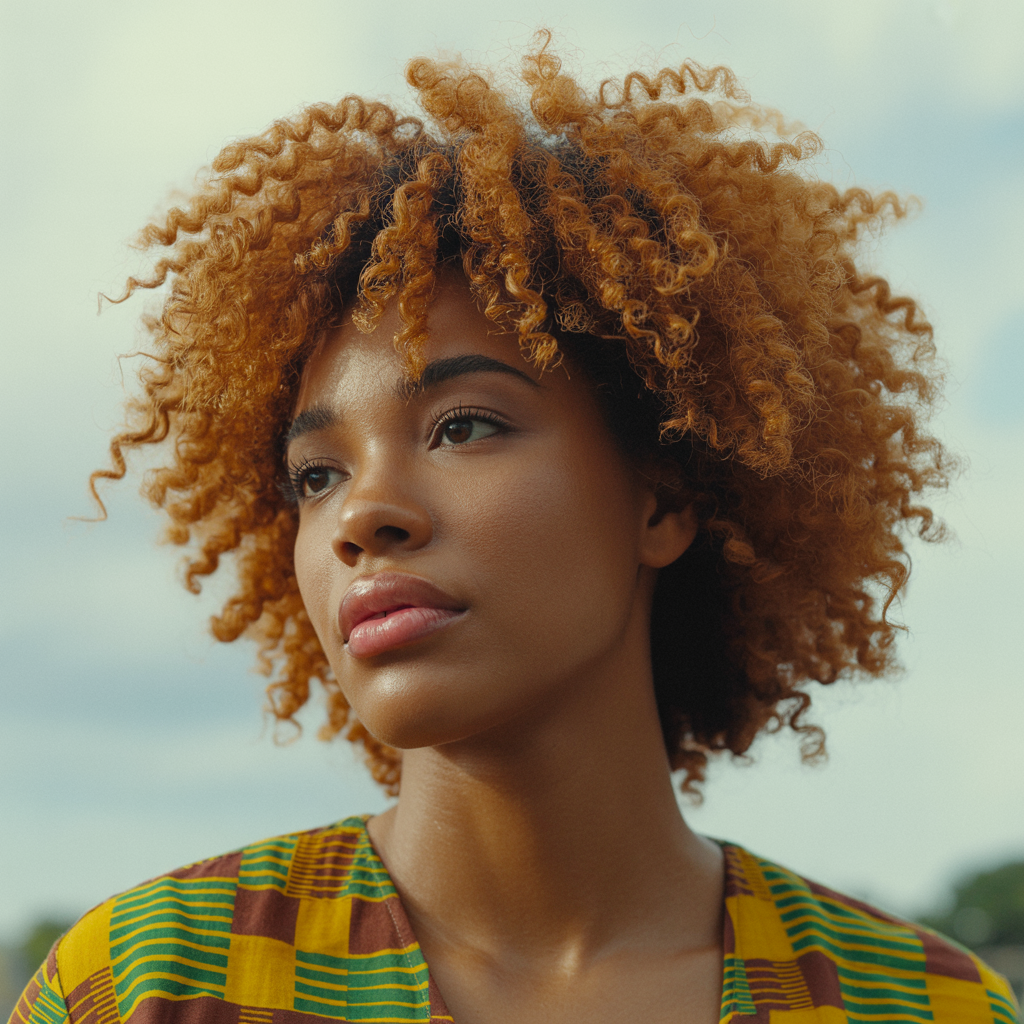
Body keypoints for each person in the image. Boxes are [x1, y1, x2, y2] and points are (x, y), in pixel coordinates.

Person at [9, 38, 1018, 1024]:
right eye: (317, 476)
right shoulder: (144, 986)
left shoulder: (923, 1004)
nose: (361, 515)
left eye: (463, 426)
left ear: (663, 500)